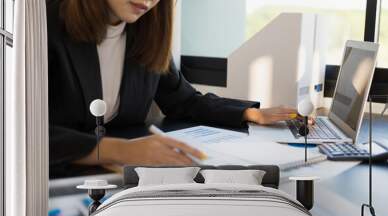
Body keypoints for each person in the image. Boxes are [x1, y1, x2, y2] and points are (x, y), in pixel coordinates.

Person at [47, 0, 298, 172]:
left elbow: (184, 100)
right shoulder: (43, 25)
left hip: (120, 179)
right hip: (55, 182)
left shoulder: (145, 33)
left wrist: (250, 113)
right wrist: (118, 150)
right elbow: (19, 131)